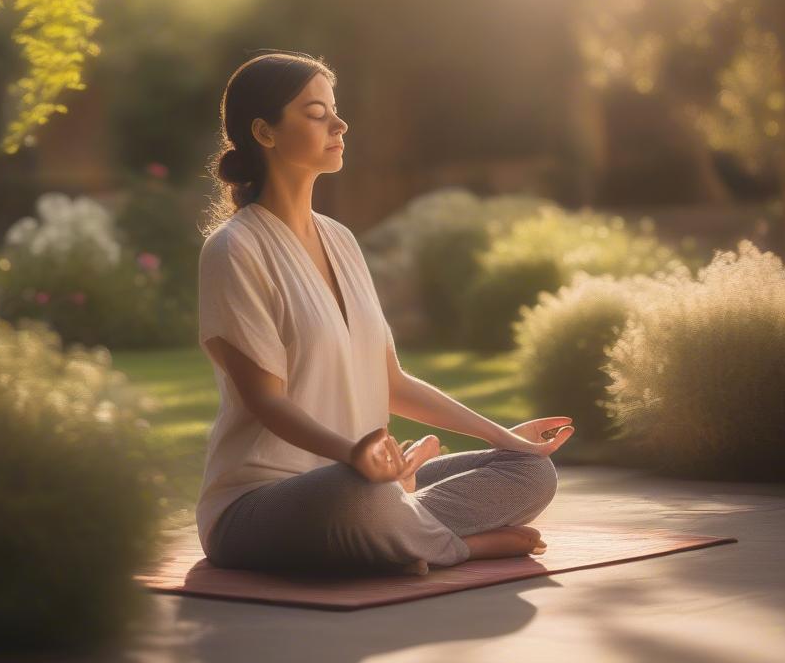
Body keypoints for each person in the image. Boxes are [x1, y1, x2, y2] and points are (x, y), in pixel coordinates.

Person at [196, 50, 574, 577]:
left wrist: (504, 437)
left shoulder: (342, 242)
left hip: (364, 486)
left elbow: (391, 381)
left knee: (532, 474)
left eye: (334, 108)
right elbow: (264, 401)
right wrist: (354, 454)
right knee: (357, 497)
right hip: (262, 506)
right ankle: (460, 545)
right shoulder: (234, 249)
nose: (339, 123)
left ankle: (401, 531)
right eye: (315, 112)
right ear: (265, 132)